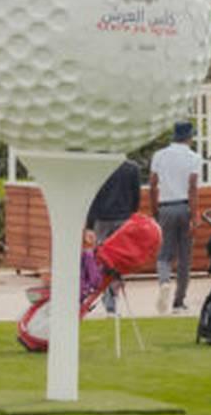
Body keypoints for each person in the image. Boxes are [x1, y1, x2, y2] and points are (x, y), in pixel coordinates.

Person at [150, 121, 202, 315]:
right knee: (184, 258)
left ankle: (164, 281)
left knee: (164, 255)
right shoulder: (194, 157)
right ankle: (179, 303)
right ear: (189, 137)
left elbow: (153, 184)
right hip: (185, 206)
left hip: (165, 207)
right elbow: (193, 187)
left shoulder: (159, 156)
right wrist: (194, 215)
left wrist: (155, 209)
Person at [84, 159, 141, 314]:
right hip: (123, 218)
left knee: (102, 260)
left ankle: (102, 297)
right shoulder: (132, 168)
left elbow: (93, 197)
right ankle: (111, 298)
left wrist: (89, 224)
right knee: (117, 261)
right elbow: (136, 196)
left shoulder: (100, 167)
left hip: (102, 219)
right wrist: (133, 217)